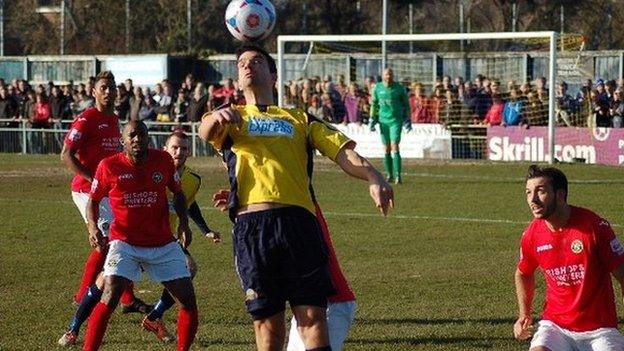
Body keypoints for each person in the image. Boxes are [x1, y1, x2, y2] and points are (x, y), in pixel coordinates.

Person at [198, 44, 393, 351]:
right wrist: (217, 117)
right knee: (268, 328)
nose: (248, 66)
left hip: (299, 224)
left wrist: (374, 176)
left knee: (313, 319)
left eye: (257, 61)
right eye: (242, 63)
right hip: (253, 228)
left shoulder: (299, 118)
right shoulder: (231, 119)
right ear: (237, 79)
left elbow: (343, 153)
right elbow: (205, 131)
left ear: (273, 75)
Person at [82, 120, 198, 351]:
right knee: (111, 294)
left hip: (162, 243)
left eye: (142, 135)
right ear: (122, 141)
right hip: (124, 243)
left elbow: (178, 194)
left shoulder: (163, 161)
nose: (137, 139)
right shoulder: (108, 166)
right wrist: (92, 226)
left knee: (187, 301)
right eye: (132, 135)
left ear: (148, 138)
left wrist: (184, 224)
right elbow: (93, 201)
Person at [60, 71, 150, 316]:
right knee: (105, 243)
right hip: (86, 191)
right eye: (103, 87)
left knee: (120, 240)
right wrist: (93, 179)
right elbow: (66, 155)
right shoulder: (87, 118)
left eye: (112, 87)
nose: (109, 91)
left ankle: (127, 300)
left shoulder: (113, 119)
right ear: (94, 92)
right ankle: (83, 298)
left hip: (108, 191)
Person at [514, 165, 624, 351]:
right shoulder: (532, 234)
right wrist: (524, 315)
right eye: (528, 192)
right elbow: (523, 273)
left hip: (600, 330)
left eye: (540, 191)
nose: (532, 200)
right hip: (556, 327)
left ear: (560, 194)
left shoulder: (594, 227)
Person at [140, 130, 221, 342]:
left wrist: (206, 230)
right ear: (165, 149)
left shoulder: (193, 179)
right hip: (137, 235)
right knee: (108, 283)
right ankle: (74, 328)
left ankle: (154, 316)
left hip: (167, 239)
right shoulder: (151, 170)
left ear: (189, 151)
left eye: (183, 148)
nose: (179, 152)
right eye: (174, 147)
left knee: (189, 269)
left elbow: (189, 206)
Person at [369, 68, 411, 184]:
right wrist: (372, 118)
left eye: (390, 75)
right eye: (386, 75)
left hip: (395, 121)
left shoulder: (399, 89)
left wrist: (408, 118)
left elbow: (406, 104)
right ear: (382, 76)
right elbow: (374, 104)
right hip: (383, 122)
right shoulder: (378, 88)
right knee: (386, 148)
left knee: (395, 145)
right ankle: (390, 175)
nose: (388, 77)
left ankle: (398, 175)